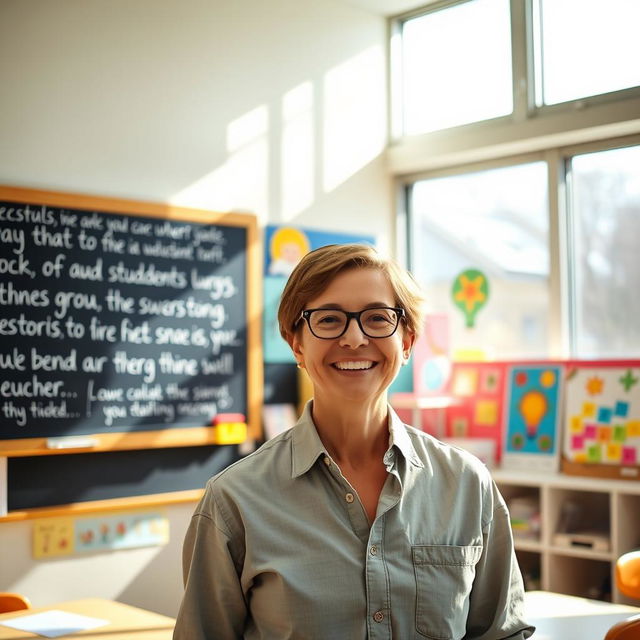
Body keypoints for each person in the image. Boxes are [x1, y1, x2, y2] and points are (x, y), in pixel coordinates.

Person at [174, 243, 535, 640]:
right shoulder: (234, 501)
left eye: (378, 318)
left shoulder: (467, 484)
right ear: (296, 343)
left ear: (408, 341)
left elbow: (503, 635)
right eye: (329, 319)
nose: (353, 338)